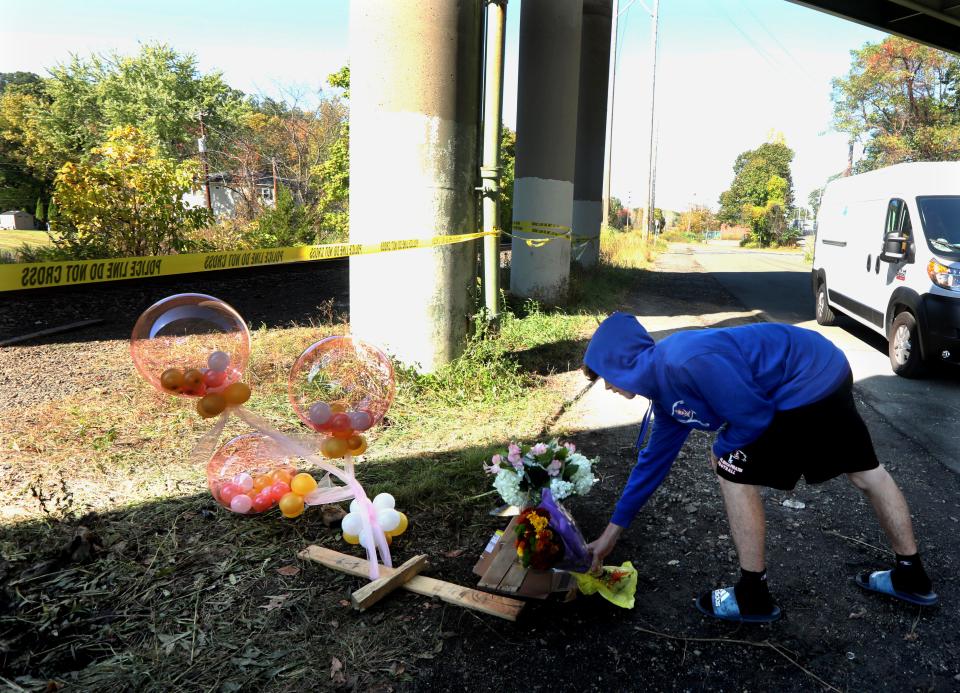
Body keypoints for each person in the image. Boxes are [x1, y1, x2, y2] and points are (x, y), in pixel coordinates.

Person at [582, 312, 937, 623]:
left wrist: (721, 449)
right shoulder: (665, 394)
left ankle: (752, 595)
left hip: (803, 380)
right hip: (824, 364)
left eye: (605, 375)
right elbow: (651, 465)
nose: (607, 386)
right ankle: (911, 575)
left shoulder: (685, 361)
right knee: (865, 471)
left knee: (731, 469)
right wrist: (609, 536)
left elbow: (753, 417)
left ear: (621, 362)